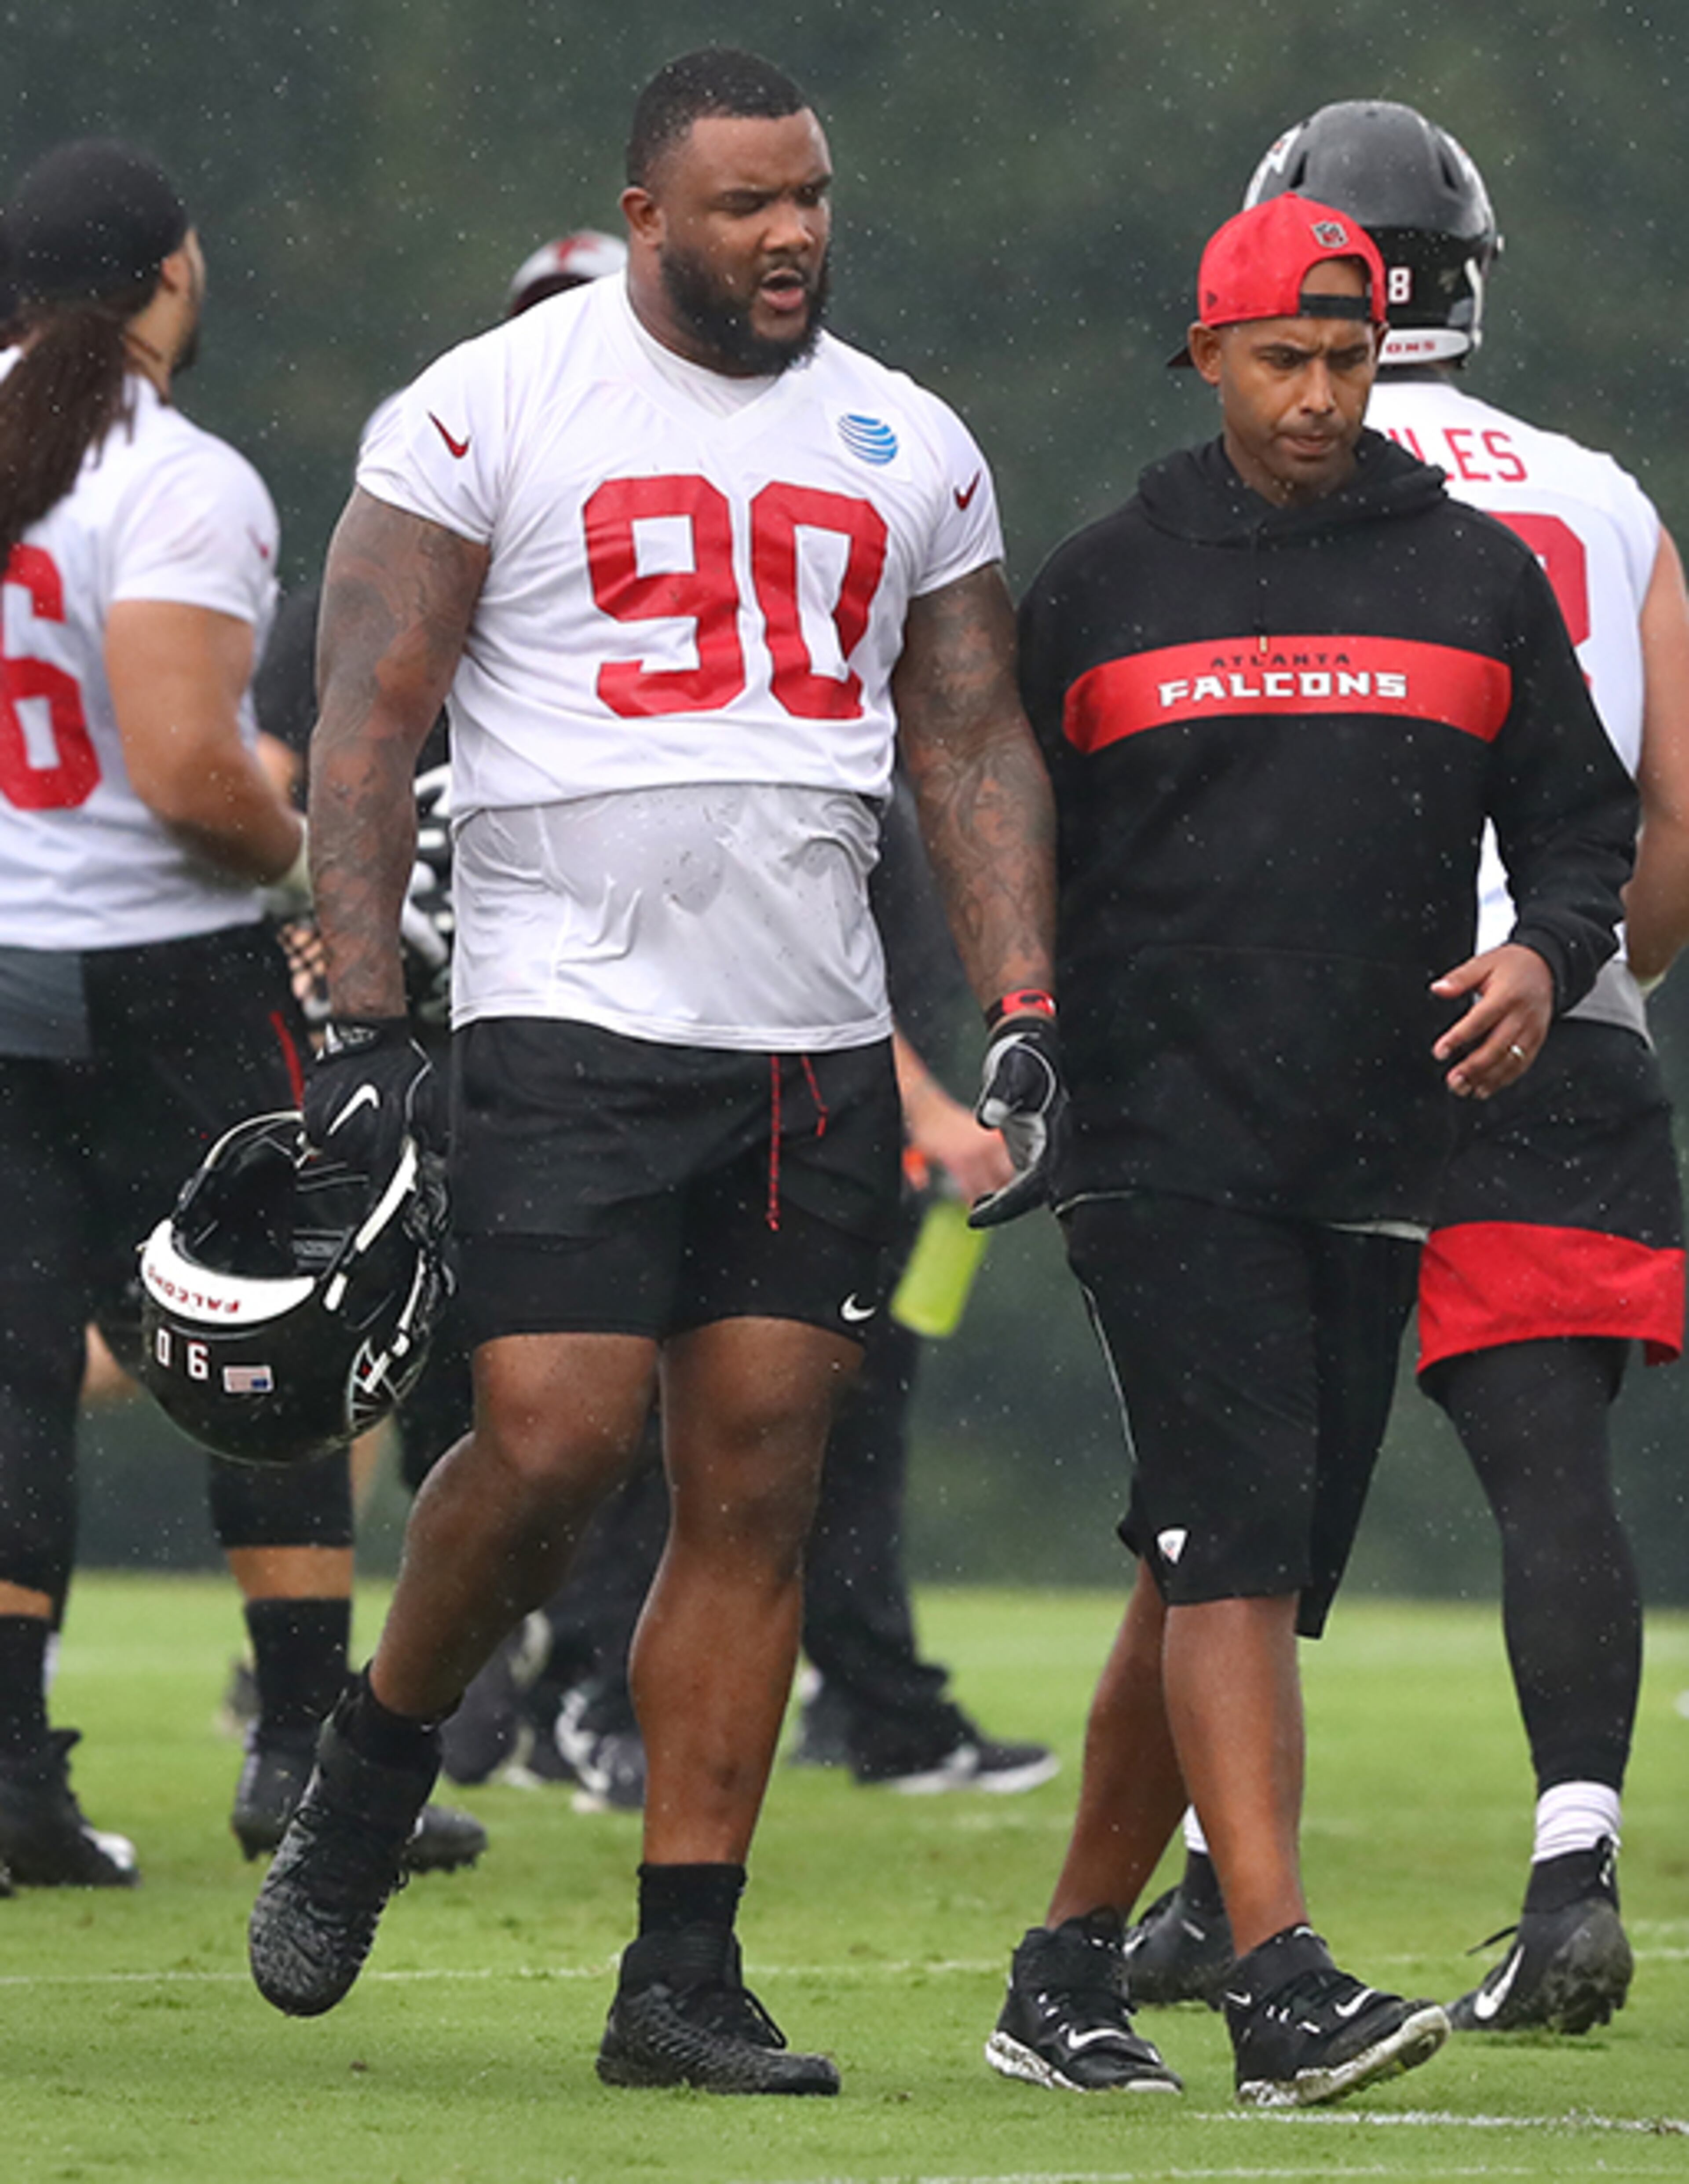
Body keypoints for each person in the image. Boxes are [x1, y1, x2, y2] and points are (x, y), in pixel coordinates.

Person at [245, 48, 1059, 2096]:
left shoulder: (913, 439)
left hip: (799, 1037)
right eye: (742, 205)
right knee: (550, 1437)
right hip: (564, 1012)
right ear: (643, 216)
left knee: (763, 1473)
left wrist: (1023, 1006)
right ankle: (376, 1750)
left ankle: (679, 1974)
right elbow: (367, 717)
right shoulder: (483, 407)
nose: (789, 234)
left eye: (808, 200)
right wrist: (352, 1022)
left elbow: (967, 738)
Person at [982, 191, 1637, 2108]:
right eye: (1286, 358)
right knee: (1237, 1547)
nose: (1324, 397)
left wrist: (1542, 957)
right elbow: (997, 836)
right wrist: (1014, 1034)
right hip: (1162, 1144)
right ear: (1207, 354)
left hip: (1379, 1151)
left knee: (1216, 1569)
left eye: (1352, 361)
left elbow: (1586, 830)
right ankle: (1280, 1985)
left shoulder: (1472, 575)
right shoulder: (1101, 584)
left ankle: (1059, 1972)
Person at [1126, 100, 1689, 2039]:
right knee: (1552, 1477)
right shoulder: (1604, 499)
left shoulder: (1278, 480)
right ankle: (1574, 1863)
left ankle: (1216, 1891)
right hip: (1552, 1012)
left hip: (1316, 1029)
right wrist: (1575, 969)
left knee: (1264, 1494)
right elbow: (1669, 818)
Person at [0, 139, 480, 1889]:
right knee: (274, 1340)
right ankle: (300, 1751)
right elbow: (194, 769)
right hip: (163, 975)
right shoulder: (173, 474)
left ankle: (10, 1778)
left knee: (11, 1371)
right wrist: (311, 870)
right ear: (169, 282)